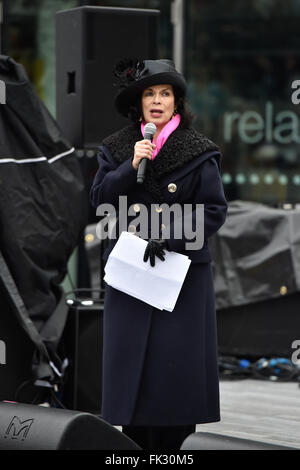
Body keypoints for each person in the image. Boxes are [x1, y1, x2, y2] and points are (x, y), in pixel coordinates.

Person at [90, 58, 228, 450]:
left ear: (176, 103)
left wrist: (169, 234)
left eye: (165, 94)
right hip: (132, 272)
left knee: (176, 377)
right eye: (149, 93)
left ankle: (177, 450)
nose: (157, 101)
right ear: (139, 104)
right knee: (134, 375)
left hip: (180, 276)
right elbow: (99, 202)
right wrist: (128, 167)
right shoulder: (116, 148)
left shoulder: (200, 150)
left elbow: (215, 210)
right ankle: (133, 449)